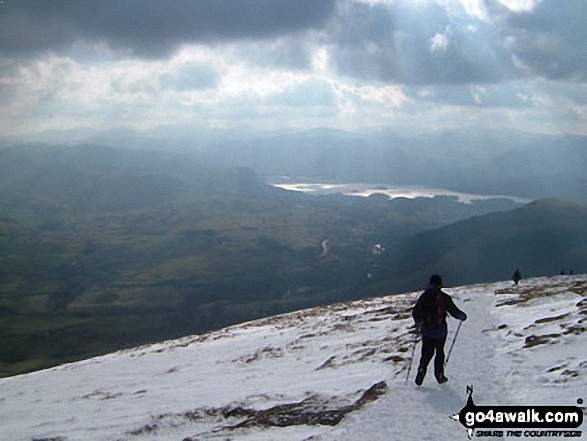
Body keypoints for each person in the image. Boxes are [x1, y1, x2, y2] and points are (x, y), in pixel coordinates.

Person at [412, 274, 467, 385]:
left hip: (426, 330)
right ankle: (439, 375)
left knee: (426, 352)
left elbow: (415, 312)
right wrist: (463, 316)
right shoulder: (443, 297)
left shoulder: (423, 296)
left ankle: (422, 369)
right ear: (440, 284)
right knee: (439, 352)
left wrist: (418, 322)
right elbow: (454, 311)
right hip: (440, 330)